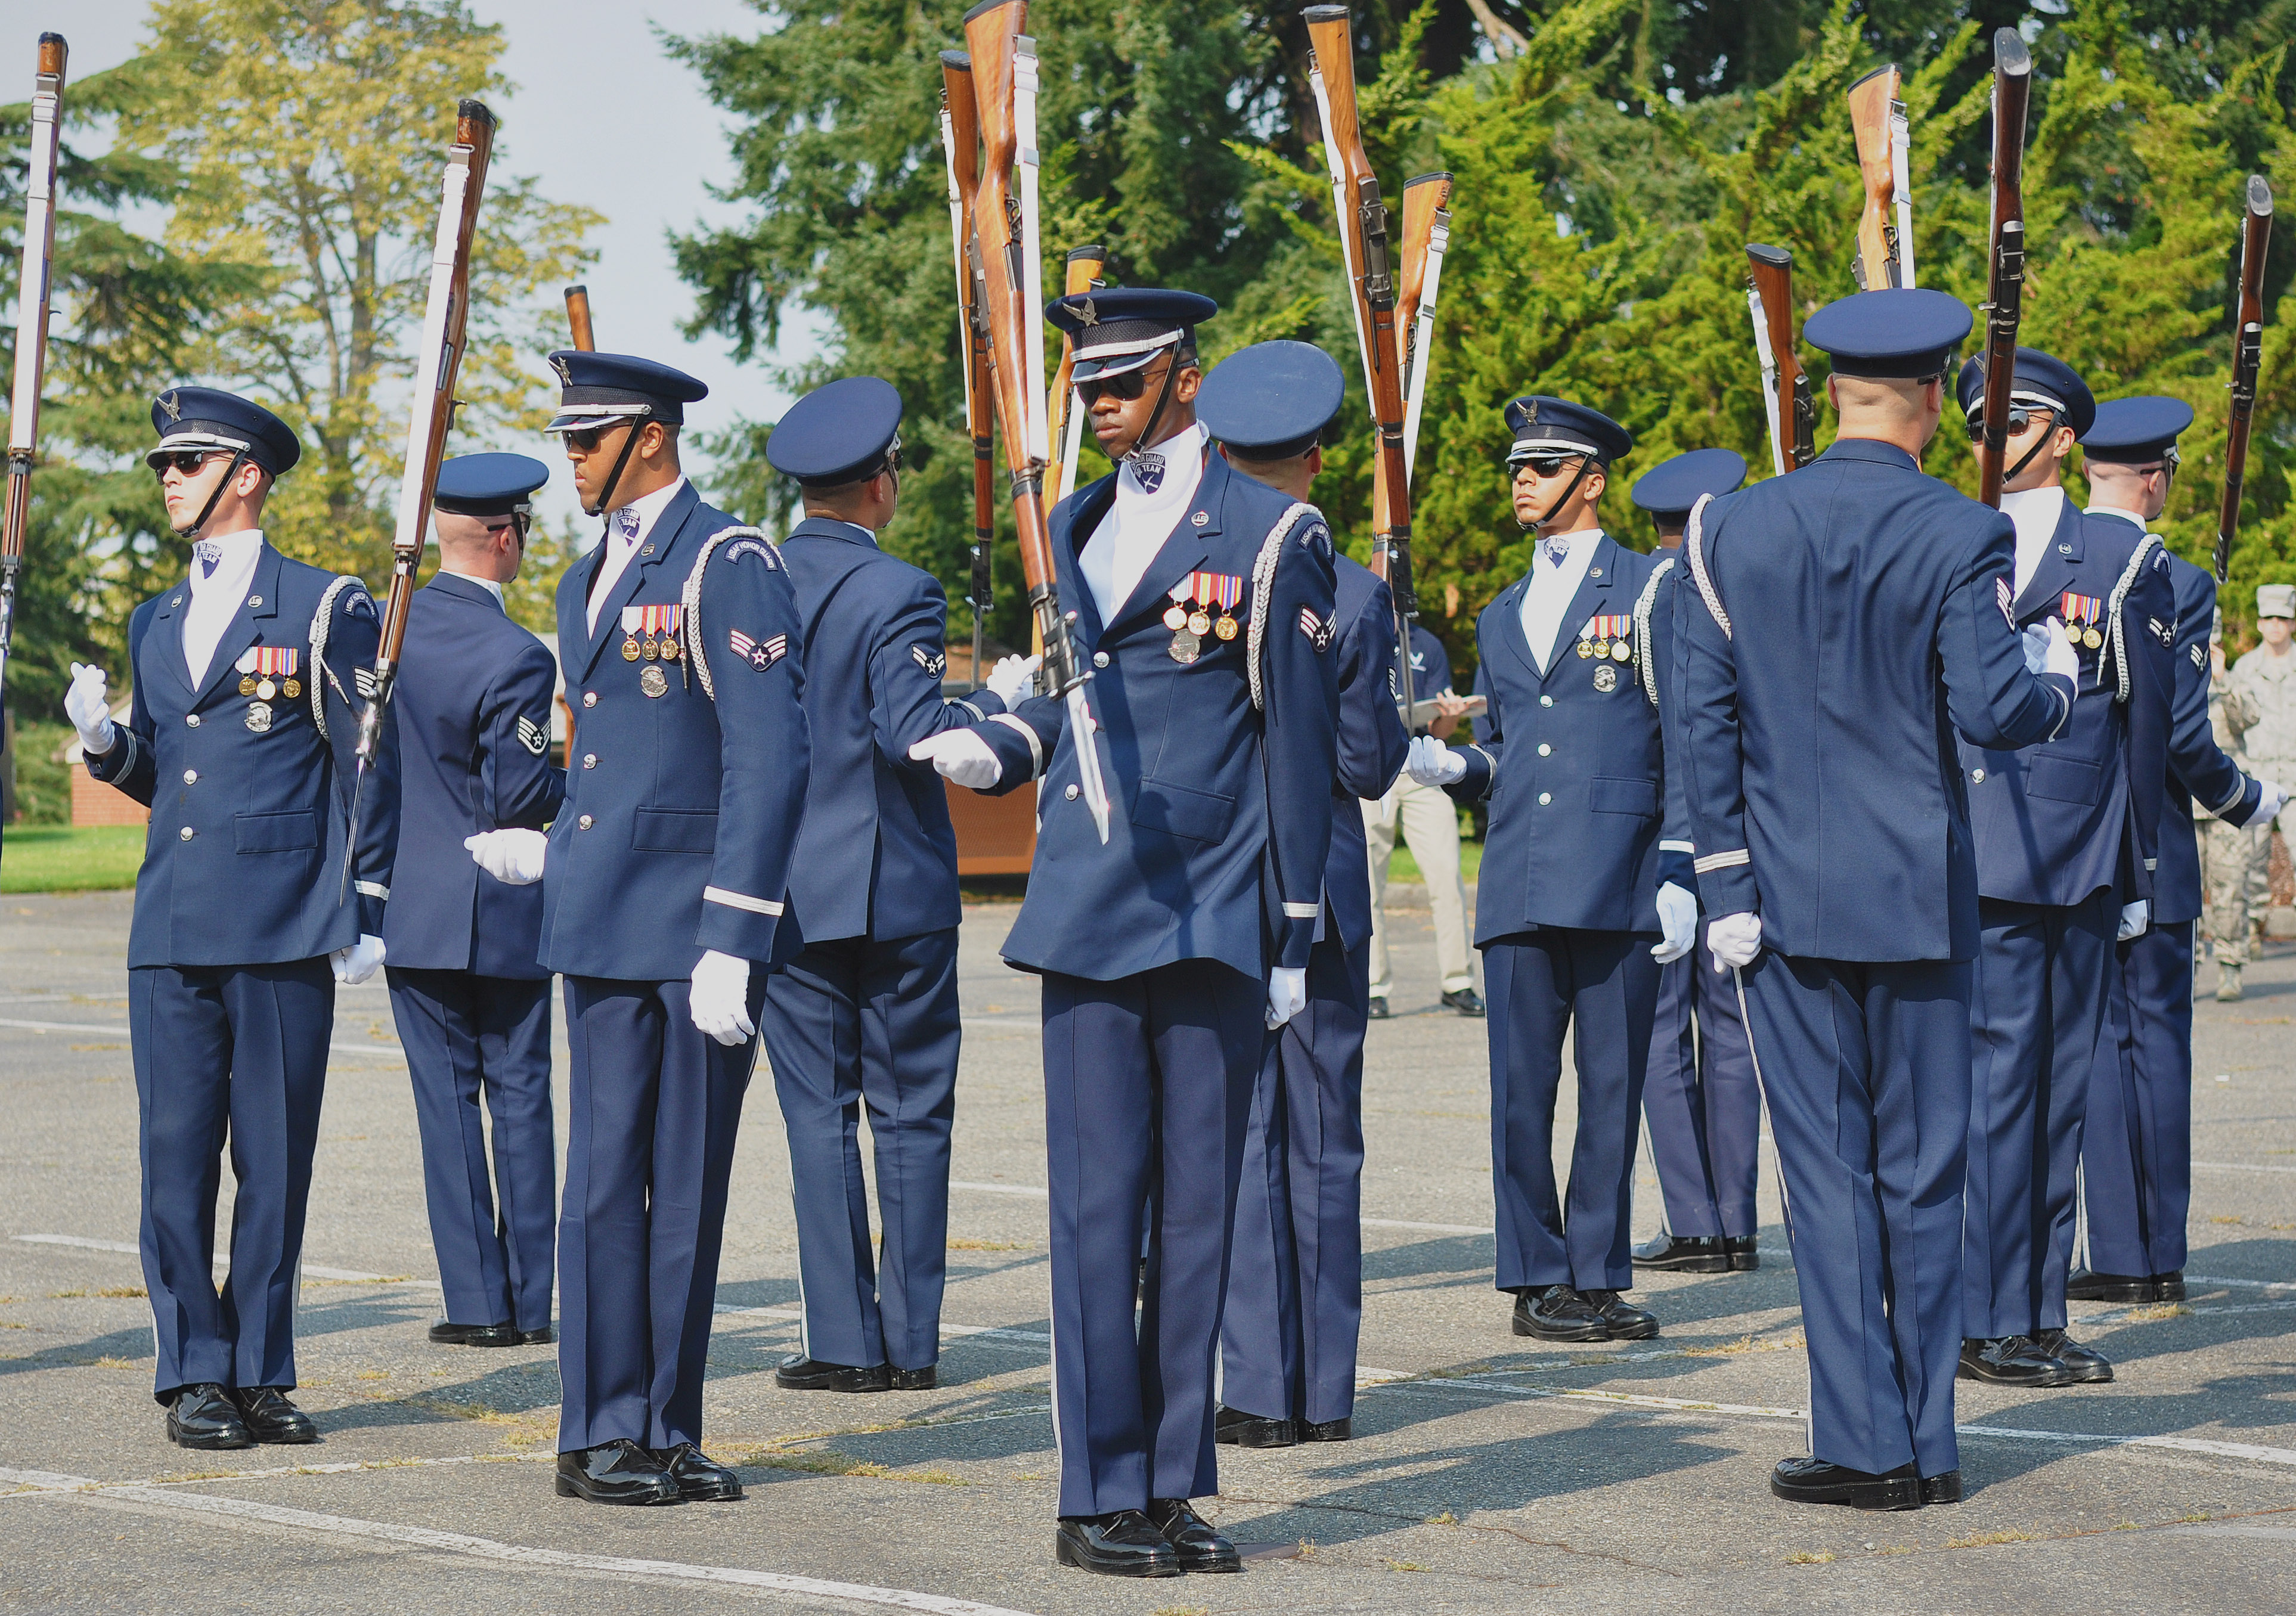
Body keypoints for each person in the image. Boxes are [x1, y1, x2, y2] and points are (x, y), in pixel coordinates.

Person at [911, 288, 1338, 1578]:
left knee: (1197, 1217)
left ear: (1182, 382)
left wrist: (1294, 926)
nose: (1098, 404)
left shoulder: (1275, 532)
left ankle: (1166, 1480)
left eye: (1121, 383)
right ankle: (1093, 1487)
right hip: (1092, 905)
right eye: (1088, 385)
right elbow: (1073, 701)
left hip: (1212, 903)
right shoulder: (1072, 524)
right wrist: (1000, 735)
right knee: (1098, 1213)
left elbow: (1299, 743)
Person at [1676, 288, 2081, 1510]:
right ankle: (1929, 1440)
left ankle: (1863, 1443)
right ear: (1923, 397)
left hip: (1781, 902)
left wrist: (1720, 879)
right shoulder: (1959, 531)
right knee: (1920, 1172)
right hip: (1916, 892)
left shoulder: (1725, 528)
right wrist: (2054, 680)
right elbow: (1990, 711)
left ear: (1829, 391)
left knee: (1824, 1174)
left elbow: (1701, 719)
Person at [474, 350, 810, 1507]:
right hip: (602, 919)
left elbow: (769, 761)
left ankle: (655, 1424)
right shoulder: (580, 582)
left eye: (587, 440)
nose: (571, 461)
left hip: (691, 933)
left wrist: (738, 930)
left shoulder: (727, 561)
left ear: (651, 439)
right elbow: (605, 758)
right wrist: (556, 845)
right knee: (602, 1189)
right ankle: (601, 1424)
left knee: (681, 1185)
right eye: (569, 440)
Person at [65, 386, 398, 1449]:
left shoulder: (322, 603)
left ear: (246, 474)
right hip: (171, 924)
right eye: (164, 462)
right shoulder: (153, 618)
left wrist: (370, 900)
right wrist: (109, 747)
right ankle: (192, 1370)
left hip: (282, 918)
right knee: (173, 1157)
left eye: (189, 461)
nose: (168, 476)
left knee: (275, 1156)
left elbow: (365, 759)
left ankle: (258, 1367)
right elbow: (179, 780)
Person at [755, 376, 1034, 1396]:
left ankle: (842, 1341)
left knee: (816, 1115)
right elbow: (907, 731)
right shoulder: (901, 589)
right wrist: (995, 704)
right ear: (880, 484)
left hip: (789, 884)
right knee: (913, 1114)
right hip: (895, 884)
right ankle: (911, 1339)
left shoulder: (752, 579)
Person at [1406, 397, 1697, 1344]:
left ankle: (1593, 1274)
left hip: (1618, 873)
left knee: (1610, 1087)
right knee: (1519, 1092)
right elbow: (1510, 747)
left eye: (1540, 466)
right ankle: (1535, 1276)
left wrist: (1682, 866)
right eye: (1516, 466)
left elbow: (1690, 737)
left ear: (1591, 478)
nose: (1520, 481)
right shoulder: (1498, 611)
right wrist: (1455, 767)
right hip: (1523, 876)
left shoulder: (1652, 588)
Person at [1950, 349, 2174, 1392]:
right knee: (1995, 1095)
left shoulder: (2119, 556)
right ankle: (1988, 1316)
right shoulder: (1949, 539)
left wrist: (2136, 874)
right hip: (1975, 856)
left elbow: (2142, 731)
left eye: (2012, 422)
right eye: (1982, 422)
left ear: (2061, 435)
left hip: (2079, 858)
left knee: (2058, 1100)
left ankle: (2036, 1313)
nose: (1991, 440)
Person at [1198, 341, 1408, 1449]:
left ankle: (1255, 1386)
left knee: (1236, 1138)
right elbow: (1370, 765)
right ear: (1318, 461)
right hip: (1318, 887)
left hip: (1225, 886)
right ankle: (1324, 1390)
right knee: (1324, 1144)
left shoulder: (1196, 578)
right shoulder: (1356, 589)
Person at [2077, 398, 2279, 1304]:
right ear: (2154, 477)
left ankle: (2119, 1249)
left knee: (2088, 1050)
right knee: (2154, 1048)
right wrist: (2244, 798)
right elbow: (2181, 738)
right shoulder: (2175, 578)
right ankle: (2153, 1252)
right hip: (2152, 846)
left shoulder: (2032, 562)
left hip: (2056, 849)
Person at [383, 453, 566, 1350]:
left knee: (445, 1103)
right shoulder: (516, 653)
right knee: (521, 1095)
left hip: (412, 907)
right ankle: (531, 1300)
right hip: (500, 899)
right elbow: (521, 795)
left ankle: (476, 1301)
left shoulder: (381, 637)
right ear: (503, 537)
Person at [1622, 448, 1764, 1276]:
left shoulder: (1661, 591)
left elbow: (1676, 727)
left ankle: (1694, 1220)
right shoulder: (1738, 584)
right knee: (1730, 1030)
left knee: (1660, 1034)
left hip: (1666, 833)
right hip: (1740, 831)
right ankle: (1735, 1219)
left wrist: (1675, 841)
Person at [1363, 619, 1480, 1019]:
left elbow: (1440, 729)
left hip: (1419, 767)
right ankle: (1373, 986)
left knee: (1446, 874)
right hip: (1370, 767)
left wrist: (1449, 715)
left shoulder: (1426, 644)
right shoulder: (1357, 627)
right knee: (1368, 882)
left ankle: (1457, 981)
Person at [2231, 582, 2296, 973]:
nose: (2275, 626)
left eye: (2282, 619)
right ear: (2259, 623)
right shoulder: (2244, 669)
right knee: (2252, 857)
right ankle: (2253, 923)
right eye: (2269, 619)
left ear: (2291, 624)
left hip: (2293, 772)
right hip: (2256, 773)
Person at [2205, 609, 2267, 999]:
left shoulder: (2235, 675)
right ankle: (2188, 967)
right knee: (2182, 892)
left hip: (2224, 799)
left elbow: (2249, 717)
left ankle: (2229, 964)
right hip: (2182, 800)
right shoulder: (2169, 667)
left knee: (2230, 885)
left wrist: (2222, 679)